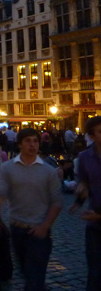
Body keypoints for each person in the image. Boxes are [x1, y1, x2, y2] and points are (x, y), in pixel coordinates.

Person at [0, 128, 63, 291]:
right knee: (28, 274)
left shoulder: (48, 171)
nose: (32, 145)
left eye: (35, 141)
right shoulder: (8, 168)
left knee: (34, 279)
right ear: (20, 144)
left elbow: (57, 202)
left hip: (39, 232)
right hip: (17, 230)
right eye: (28, 141)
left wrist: (44, 226)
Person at [70, 116, 101, 291]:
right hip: (95, 224)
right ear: (92, 135)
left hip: (96, 215)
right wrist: (78, 200)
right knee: (95, 270)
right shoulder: (84, 157)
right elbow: (85, 182)